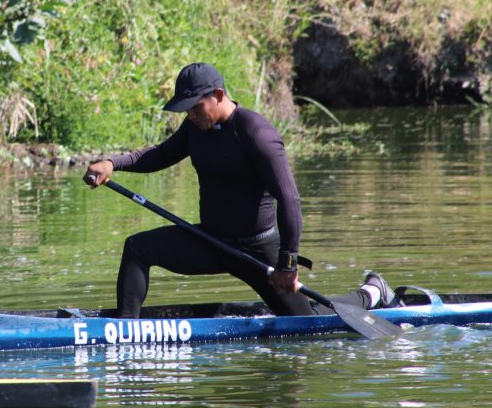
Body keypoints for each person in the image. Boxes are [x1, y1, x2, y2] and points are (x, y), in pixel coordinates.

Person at [83, 62, 401, 318]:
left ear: (219, 95)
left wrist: (287, 265)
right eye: (186, 110)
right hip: (212, 241)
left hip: (257, 250)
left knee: (310, 321)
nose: (190, 115)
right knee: (139, 248)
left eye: (195, 107)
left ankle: (372, 292)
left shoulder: (256, 134)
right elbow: (162, 155)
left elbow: (289, 199)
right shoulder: (195, 127)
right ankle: (123, 329)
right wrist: (113, 163)